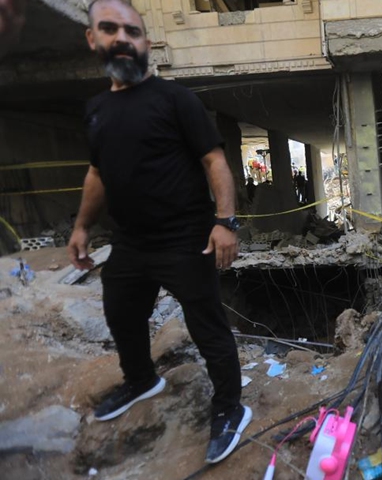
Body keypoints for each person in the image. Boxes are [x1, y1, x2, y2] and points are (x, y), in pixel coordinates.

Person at [67, 0, 250, 465]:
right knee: (121, 314)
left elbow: (215, 162)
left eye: (132, 31)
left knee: (207, 327)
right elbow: (98, 174)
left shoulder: (175, 100)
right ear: (93, 39)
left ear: (146, 43)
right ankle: (141, 379)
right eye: (109, 29)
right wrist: (82, 226)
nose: (122, 38)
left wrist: (225, 222)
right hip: (130, 241)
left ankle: (230, 407)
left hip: (186, 237)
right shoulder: (96, 109)